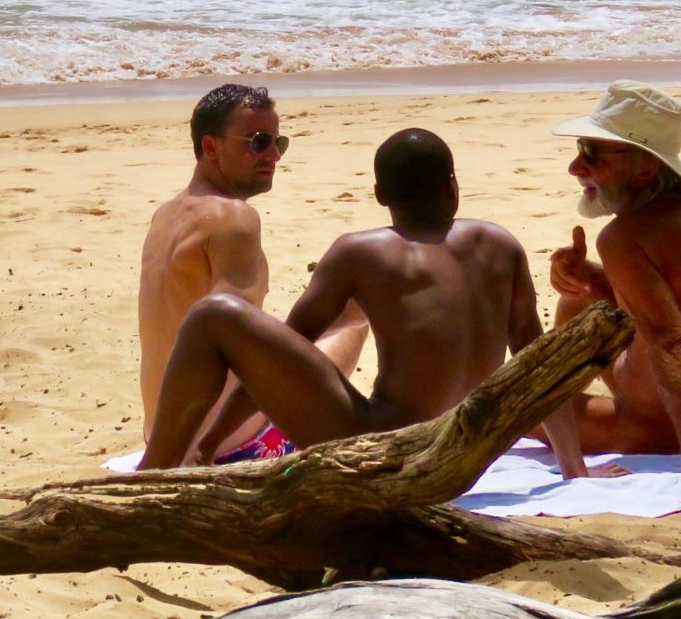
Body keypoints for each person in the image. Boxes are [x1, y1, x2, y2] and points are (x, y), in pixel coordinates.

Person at [141, 128, 599, 475]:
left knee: (214, 316)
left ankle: (156, 468)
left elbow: (289, 346)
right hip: (463, 447)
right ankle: (180, 458)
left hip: (385, 448)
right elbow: (536, 361)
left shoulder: (361, 251)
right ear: (452, 188)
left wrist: (209, 445)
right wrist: (574, 469)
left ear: (380, 196)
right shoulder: (501, 244)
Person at [138, 84, 366, 460]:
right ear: (211, 147)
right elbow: (230, 343)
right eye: (259, 142)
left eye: (280, 142)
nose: (274, 154)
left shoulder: (166, 214)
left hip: (162, 438)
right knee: (355, 317)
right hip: (227, 447)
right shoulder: (235, 219)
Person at [549, 81, 681, 471]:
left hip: (657, 430)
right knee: (578, 295)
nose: (575, 167)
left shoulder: (624, 237)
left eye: (593, 154)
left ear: (646, 169)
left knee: (521, 409)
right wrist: (591, 278)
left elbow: (672, 341)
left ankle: (556, 396)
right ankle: (561, 391)